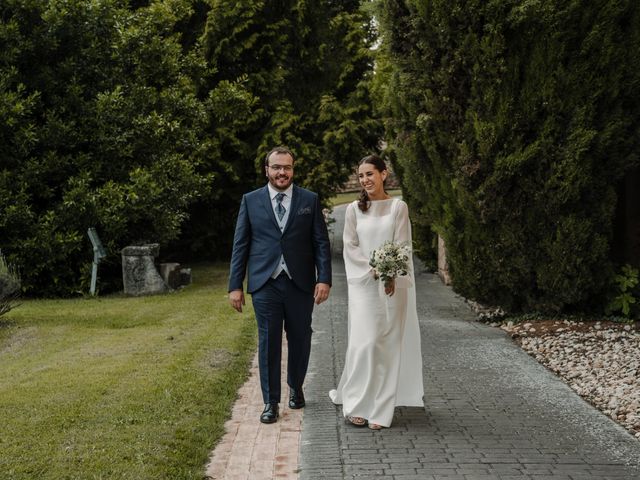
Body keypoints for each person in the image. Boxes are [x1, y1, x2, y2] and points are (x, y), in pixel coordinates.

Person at [228, 146, 332, 424]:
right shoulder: (250, 201)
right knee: (268, 341)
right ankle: (270, 402)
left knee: (301, 337)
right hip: (265, 283)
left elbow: (320, 242)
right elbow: (241, 245)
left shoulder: (309, 199)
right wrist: (234, 285)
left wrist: (324, 278)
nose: (282, 172)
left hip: (300, 283)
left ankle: (295, 386)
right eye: (276, 167)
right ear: (267, 170)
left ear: (292, 170)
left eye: (287, 167)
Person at [329, 154, 424, 430]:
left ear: (384, 173)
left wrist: (391, 273)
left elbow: (403, 245)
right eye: (361, 176)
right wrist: (372, 270)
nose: (365, 180)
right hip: (364, 286)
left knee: (388, 347)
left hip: (393, 287)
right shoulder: (353, 210)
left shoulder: (398, 207)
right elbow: (350, 245)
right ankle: (357, 404)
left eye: (370, 173)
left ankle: (381, 411)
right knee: (365, 344)